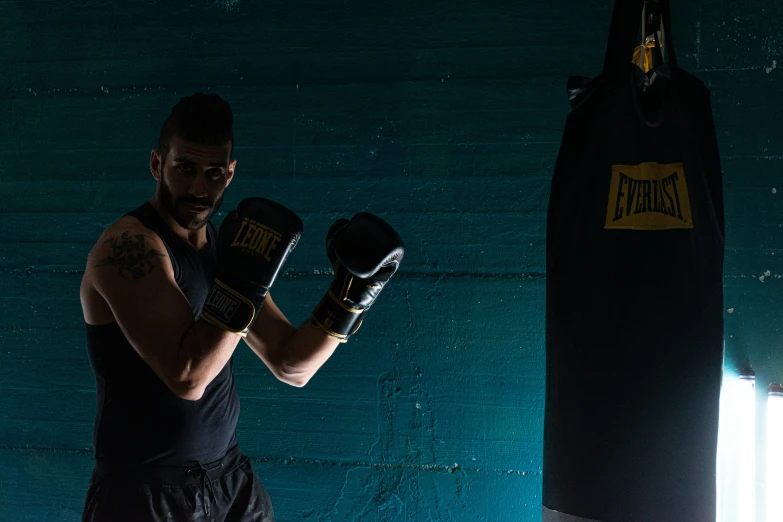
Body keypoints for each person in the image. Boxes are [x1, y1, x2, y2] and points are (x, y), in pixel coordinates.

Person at [79, 93, 404, 521]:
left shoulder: (225, 251)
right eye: (185, 168)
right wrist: (243, 285)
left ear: (230, 174)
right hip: (145, 493)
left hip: (229, 481)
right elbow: (188, 376)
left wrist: (348, 297)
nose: (199, 188)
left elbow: (292, 365)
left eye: (213, 173)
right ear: (157, 164)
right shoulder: (128, 248)